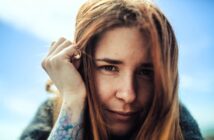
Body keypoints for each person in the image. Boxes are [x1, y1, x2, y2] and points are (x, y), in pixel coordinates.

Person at [20, 0, 203, 139]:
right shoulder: (51, 112)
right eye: (109, 67)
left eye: (146, 72)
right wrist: (73, 99)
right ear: (80, 65)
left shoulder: (174, 119)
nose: (128, 94)